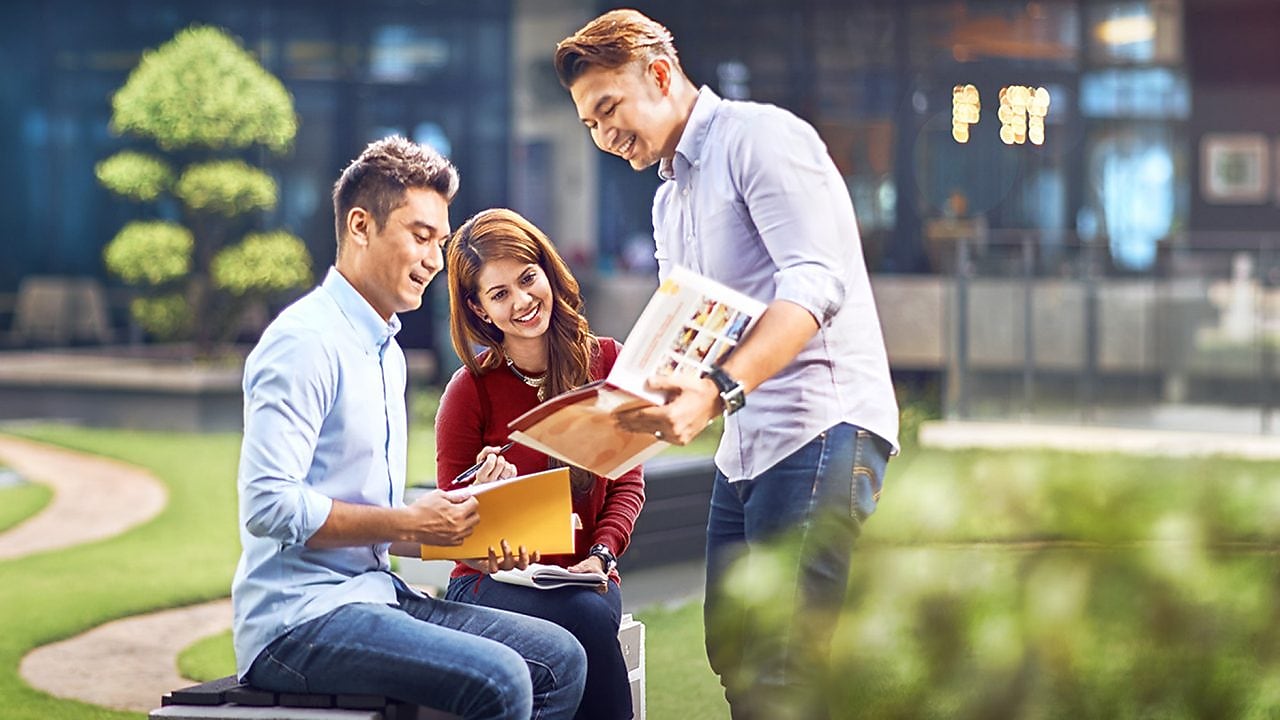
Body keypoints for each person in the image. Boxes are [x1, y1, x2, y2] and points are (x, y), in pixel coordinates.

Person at [555, 11, 900, 719]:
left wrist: (713, 391)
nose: (604, 134)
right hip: (747, 446)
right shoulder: (669, 199)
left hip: (822, 425)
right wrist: (618, 411)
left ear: (658, 72)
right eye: (590, 123)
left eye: (610, 108)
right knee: (735, 652)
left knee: (780, 662)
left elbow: (814, 283)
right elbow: (689, 333)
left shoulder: (759, 138)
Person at [231, 137, 587, 720]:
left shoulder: (385, 351)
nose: (433, 259)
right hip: (297, 622)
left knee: (561, 660)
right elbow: (269, 506)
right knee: (501, 681)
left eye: (440, 242)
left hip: (376, 594)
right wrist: (408, 519)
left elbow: (375, 526)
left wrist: (465, 527)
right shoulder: (304, 344)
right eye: (421, 236)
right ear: (360, 225)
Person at [436, 207, 645, 720]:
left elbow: (627, 480)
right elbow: (450, 524)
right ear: (481, 310)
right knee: (587, 621)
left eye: (528, 279)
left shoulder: (607, 364)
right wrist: (488, 502)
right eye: (500, 294)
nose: (523, 301)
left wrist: (601, 555)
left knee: (588, 610)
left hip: (586, 576)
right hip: (490, 583)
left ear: (547, 271)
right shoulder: (469, 392)